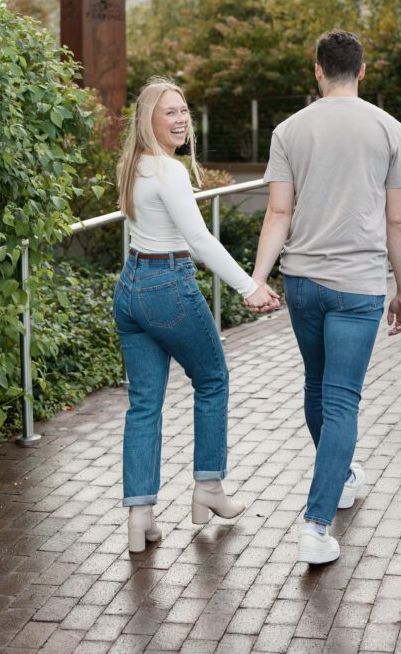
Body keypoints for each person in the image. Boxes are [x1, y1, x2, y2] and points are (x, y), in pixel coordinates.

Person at [248, 29, 401, 564]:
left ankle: (341, 478)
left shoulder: (289, 130)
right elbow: (397, 220)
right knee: (341, 400)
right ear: (362, 70)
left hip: (303, 284)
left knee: (318, 390)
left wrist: (258, 277)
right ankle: (316, 527)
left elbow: (279, 213)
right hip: (360, 286)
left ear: (317, 69)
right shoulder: (390, 129)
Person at [114, 76, 279, 553]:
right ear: (150, 120)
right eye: (170, 111)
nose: (181, 118)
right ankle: (208, 488)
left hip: (130, 288)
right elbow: (199, 240)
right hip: (168, 285)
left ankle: (140, 515)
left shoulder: (134, 165)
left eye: (184, 109)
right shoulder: (169, 171)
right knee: (212, 379)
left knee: (144, 403)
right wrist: (250, 287)